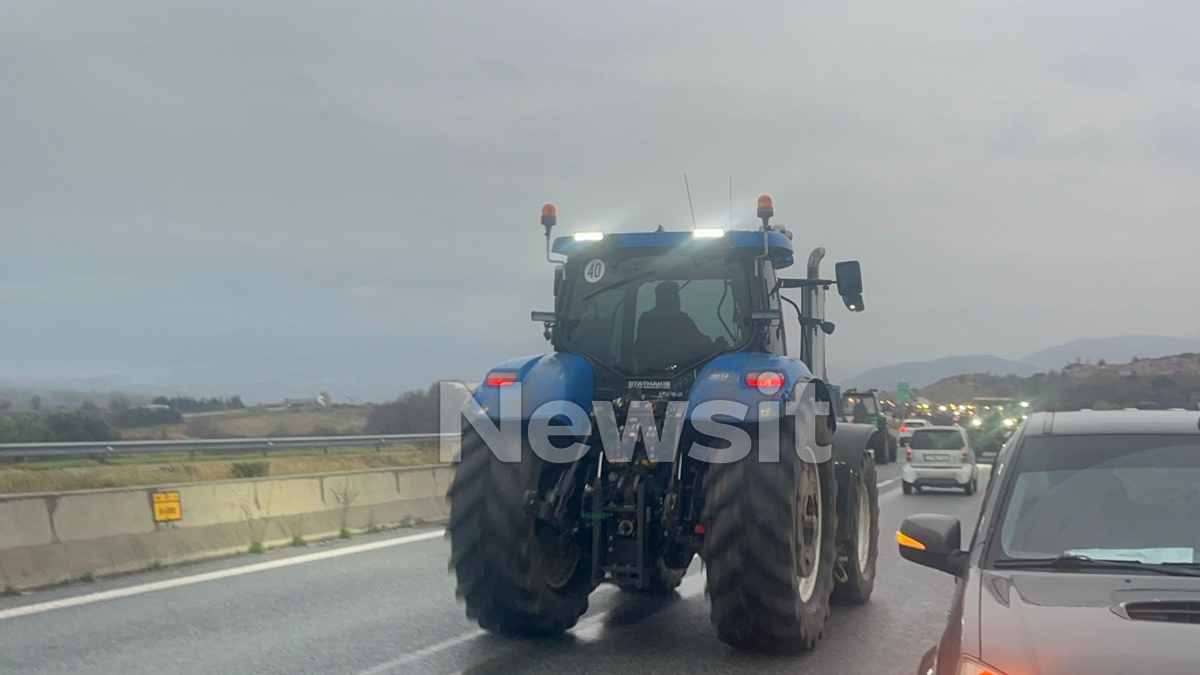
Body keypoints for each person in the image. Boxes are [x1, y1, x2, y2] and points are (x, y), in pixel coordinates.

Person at [635, 281, 714, 370]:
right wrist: (716, 346)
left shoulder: (645, 319)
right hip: (680, 375)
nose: (677, 300)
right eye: (675, 297)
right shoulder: (681, 321)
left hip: (647, 376)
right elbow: (699, 345)